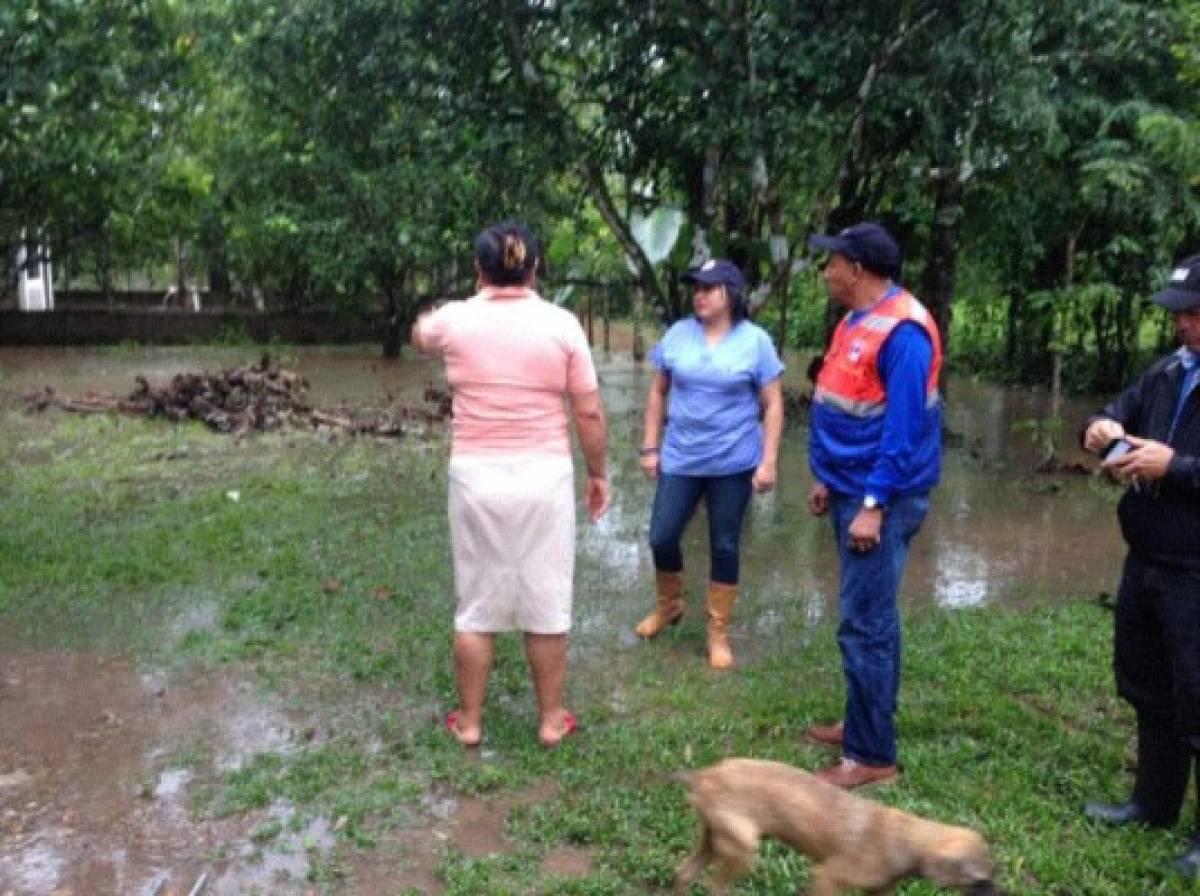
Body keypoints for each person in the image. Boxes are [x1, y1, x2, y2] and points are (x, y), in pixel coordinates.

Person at [411, 220, 609, 748]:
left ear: (479, 271)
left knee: (476, 603)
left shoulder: (454, 320)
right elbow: (587, 412)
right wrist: (598, 474)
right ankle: (550, 721)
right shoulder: (563, 324)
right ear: (535, 269)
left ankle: (470, 723)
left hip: (475, 476)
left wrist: (439, 311)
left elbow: (419, 333)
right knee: (545, 601)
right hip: (544, 476)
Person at [803, 222, 942, 790]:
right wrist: (827, 480)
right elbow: (847, 404)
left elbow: (903, 431)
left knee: (865, 624)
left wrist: (872, 505)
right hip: (849, 487)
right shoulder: (856, 320)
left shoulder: (903, 332)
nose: (826, 271)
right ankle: (862, 720)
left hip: (878, 499)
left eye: (832, 261)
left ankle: (870, 754)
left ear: (857, 268)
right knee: (869, 616)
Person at [1080, 252, 1200, 880]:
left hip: (1196, 567)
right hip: (1148, 557)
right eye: (1178, 312)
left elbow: (1179, 464)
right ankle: (1152, 803)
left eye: (1193, 313)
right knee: (1148, 682)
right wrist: (1100, 429)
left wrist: (1173, 467)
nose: (1182, 323)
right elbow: (1107, 412)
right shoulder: (1167, 372)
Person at [633, 259, 784, 669]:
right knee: (662, 536)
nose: (698, 294)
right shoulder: (679, 334)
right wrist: (650, 446)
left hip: (734, 461)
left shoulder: (755, 342)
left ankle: (717, 630)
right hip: (682, 457)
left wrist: (768, 461)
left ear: (730, 294)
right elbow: (657, 393)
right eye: (695, 287)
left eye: (708, 287)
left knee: (724, 543)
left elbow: (772, 404)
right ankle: (669, 604)